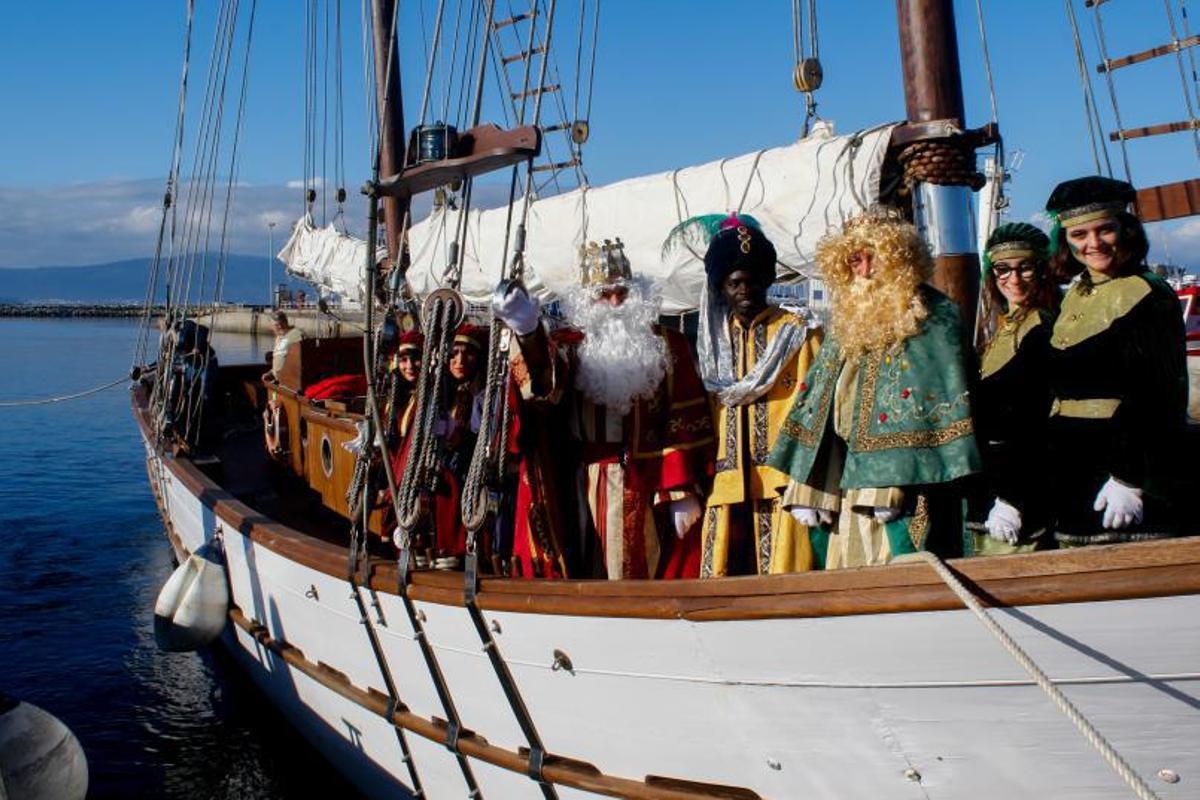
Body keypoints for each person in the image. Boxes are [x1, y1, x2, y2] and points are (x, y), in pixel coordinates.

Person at [768, 206, 981, 568]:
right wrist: (808, 486)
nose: (863, 271)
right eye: (854, 261)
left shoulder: (935, 316)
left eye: (873, 259)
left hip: (910, 494)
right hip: (847, 492)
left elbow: (929, 410)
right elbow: (819, 406)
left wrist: (888, 482)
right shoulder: (847, 324)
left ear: (899, 259)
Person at [493, 239, 715, 579]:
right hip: (582, 482)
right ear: (586, 301)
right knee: (584, 566)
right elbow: (545, 388)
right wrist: (529, 333)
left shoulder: (667, 346)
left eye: (621, 293)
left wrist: (680, 489)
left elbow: (685, 420)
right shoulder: (571, 346)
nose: (614, 303)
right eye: (603, 294)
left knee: (649, 571)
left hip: (650, 482)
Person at [668, 213, 823, 576]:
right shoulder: (712, 346)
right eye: (735, 283)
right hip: (724, 485)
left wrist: (810, 489)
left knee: (785, 582)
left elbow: (815, 412)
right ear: (721, 287)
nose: (744, 291)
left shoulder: (798, 335)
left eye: (752, 282)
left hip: (783, 487)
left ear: (767, 281)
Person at [1042, 176, 1187, 545]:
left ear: (1125, 229)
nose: (1093, 244)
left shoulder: (1149, 294)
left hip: (1122, 477)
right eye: (1079, 235)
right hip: (1073, 470)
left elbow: (1160, 392)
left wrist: (1129, 477)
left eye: (1104, 230)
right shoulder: (1075, 295)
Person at [967, 223, 1060, 555]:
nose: (1014, 279)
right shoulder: (1006, 328)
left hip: (1021, 492)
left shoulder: (1044, 330)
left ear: (1042, 269)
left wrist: (1013, 498)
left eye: (1025, 268)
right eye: (1003, 270)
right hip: (992, 483)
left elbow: (1036, 420)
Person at [267, 311, 304, 379]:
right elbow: (280, 358)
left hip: (290, 382)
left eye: (272, 326)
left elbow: (301, 359)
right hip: (280, 380)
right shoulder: (279, 338)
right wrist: (271, 372)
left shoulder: (296, 335)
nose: (280, 326)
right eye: (275, 325)